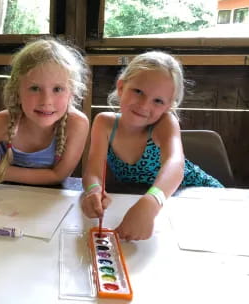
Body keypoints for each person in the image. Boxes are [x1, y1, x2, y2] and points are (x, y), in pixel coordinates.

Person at [81, 51, 223, 241]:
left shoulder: (164, 123)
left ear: (168, 106)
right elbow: (93, 171)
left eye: (158, 101)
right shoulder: (104, 123)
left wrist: (151, 202)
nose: (144, 105)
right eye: (138, 91)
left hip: (196, 195)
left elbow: (175, 165)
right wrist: (93, 190)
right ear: (121, 87)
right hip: (150, 204)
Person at [0, 38, 90, 200]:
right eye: (35, 88)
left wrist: (3, 172)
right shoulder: (2, 122)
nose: (46, 101)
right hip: (0, 202)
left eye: (57, 89)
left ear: (72, 93)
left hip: (47, 206)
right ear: (17, 92)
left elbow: (59, 175)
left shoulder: (77, 124)